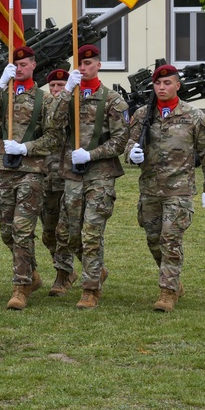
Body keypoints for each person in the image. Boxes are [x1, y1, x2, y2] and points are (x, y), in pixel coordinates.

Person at [125, 64, 205, 312]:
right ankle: (174, 281)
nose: (162, 87)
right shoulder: (143, 114)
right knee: (153, 240)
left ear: (177, 85)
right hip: (149, 190)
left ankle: (167, 292)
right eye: (158, 83)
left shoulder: (194, 116)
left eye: (167, 83)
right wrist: (131, 154)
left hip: (179, 191)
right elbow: (128, 143)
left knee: (170, 239)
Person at [0, 46, 62, 310]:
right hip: (4, 170)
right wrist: (1, 83)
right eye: (16, 65)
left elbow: (54, 137)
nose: (20, 68)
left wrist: (26, 148)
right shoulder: (4, 96)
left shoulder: (45, 99)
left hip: (32, 171)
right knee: (6, 232)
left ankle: (21, 286)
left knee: (22, 229)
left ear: (34, 65)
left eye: (24, 64)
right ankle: (32, 273)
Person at [53, 44, 129, 310]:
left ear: (99, 65)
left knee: (91, 232)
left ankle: (90, 289)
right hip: (73, 175)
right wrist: (65, 93)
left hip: (101, 175)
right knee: (71, 234)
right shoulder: (69, 95)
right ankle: (95, 270)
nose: (83, 68)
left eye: (88, 64)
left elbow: (120, 141)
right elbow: (51, 123)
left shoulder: (113, 100)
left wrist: (91, 154)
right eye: (80, 64)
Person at [43, 68, 78, 296]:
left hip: (69, 178)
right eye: (53, 86)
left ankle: (63, 274)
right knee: (48, 232)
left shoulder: (75, 108)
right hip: (45, 178)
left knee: (65, 231)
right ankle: (77, 269)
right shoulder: (44, 108)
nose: (56, 90)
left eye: (61, 85)